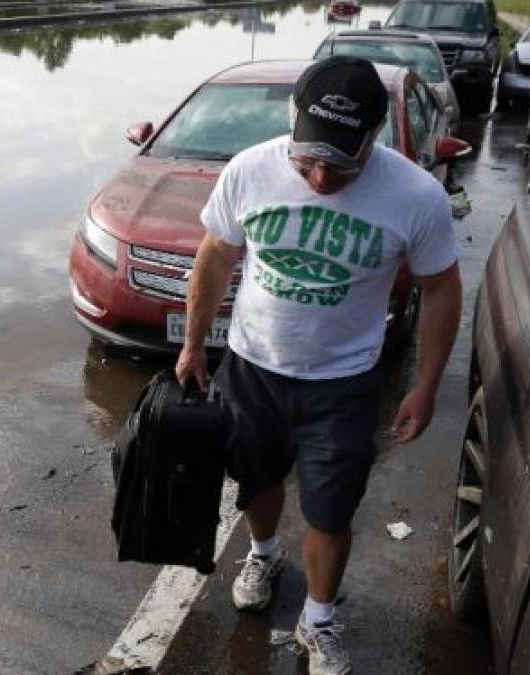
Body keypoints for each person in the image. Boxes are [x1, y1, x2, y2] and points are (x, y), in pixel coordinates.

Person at [174, 56, 461, 675]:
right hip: (253, 369)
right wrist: (194, 343)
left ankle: (320, 619)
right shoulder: (251, 170)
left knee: (332, 511)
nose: (322, 175)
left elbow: (441, 289)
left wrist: (426, 385)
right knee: (256, 481)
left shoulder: (415, 195)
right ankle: (263, 552)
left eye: (342, 162)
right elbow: (217, 257)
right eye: (308, 160)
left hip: (346, 383)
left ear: (373, 138)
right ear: (292, 121)